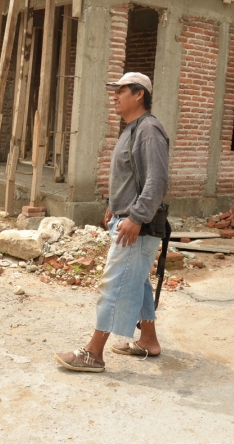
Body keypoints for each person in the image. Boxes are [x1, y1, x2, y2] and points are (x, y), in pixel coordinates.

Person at [55, 72, 170, 372]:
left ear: (139, 94)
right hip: (126, 220)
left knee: (116, 284)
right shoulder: (132, 129)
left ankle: (94, 352)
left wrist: (135, 217)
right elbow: (130, 176)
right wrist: (113, 205)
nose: (114, 97)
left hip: (137, 227)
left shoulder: (149, 130)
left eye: (120, 91)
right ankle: (148, 340)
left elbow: (156, 183)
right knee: (137, 280)